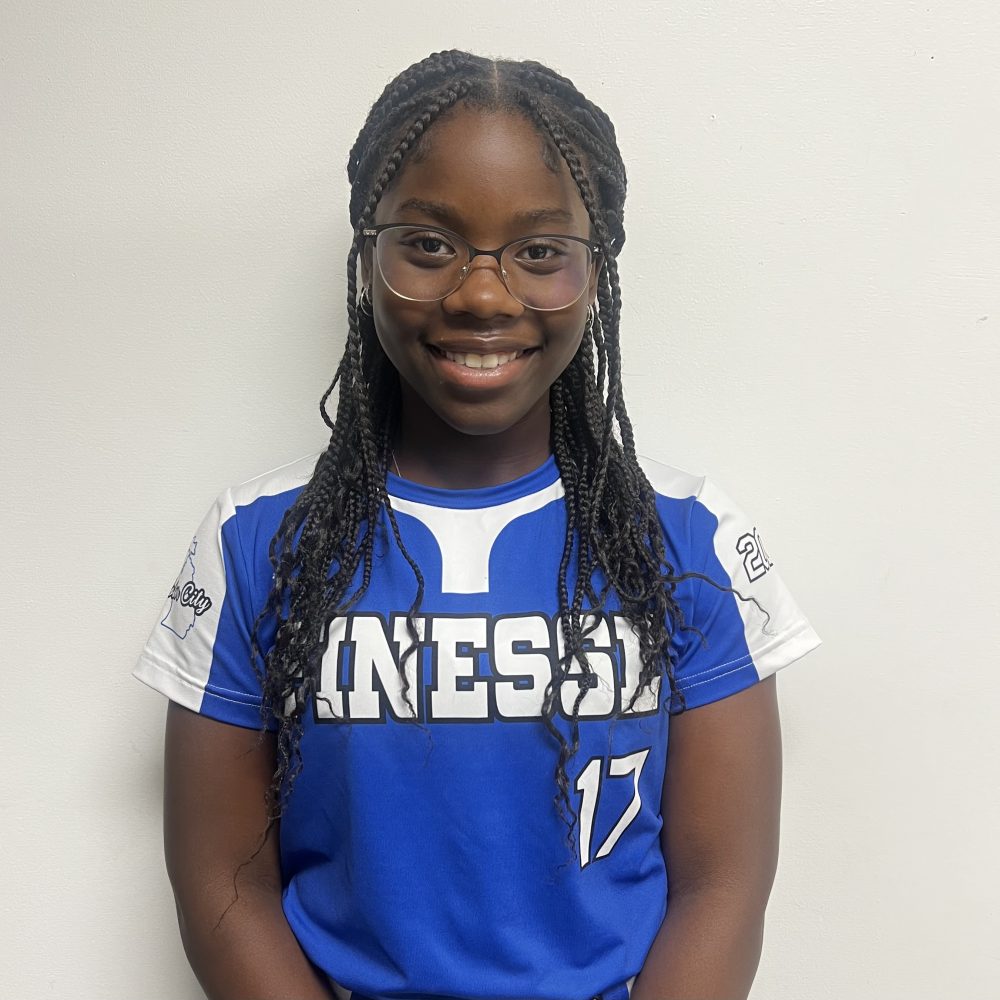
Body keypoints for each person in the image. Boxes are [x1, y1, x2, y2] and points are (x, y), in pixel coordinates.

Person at [135, 50, 821, 1000]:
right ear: (367, 256)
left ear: (596, 271)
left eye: (539, 251)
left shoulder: (689, 540)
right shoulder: (256, 540)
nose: (483, 296)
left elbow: (723, 889)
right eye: (429, 243)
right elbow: (222, 883)